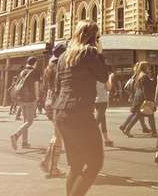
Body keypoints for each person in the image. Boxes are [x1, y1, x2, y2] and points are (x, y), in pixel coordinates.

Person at [52, 21, 109, 196]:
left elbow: (57, 85)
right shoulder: (90, 52)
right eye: (97, 37)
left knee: (76, 165)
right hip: (80, 112)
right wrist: (99, 53)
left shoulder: (63, 57)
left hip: (61, 112)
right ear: (92, 37)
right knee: (95, 163)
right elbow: (103, 76)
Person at [41, 43, 67, 179]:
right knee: (58, 135)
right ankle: (53, 167)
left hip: (49, 102)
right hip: (58, 102)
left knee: (57, 134)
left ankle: (47, 162)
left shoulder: (49, 67)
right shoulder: (61, 67)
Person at [10, 57, 41, 150]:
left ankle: (24, 142)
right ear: (34, 63)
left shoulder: (22, 71)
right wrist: (37, 97)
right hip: (30, 98)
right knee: (30, 121)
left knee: (25, 121)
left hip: (21, 98)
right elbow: (36, 85)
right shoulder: (35, 71)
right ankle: (16, 135)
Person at [120, 61, 157, 137]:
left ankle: (153, 132)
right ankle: (127, 129)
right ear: (145, 67)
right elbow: (145, 89)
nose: (149, 68)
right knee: (142, 115)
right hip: (143, 98)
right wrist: (148, 100)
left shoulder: (139, 75)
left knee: (142, 115)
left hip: (138, 97)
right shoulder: (144, 76)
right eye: (147, 66)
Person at [95, 68, 115, 148]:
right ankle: (87, 136)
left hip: (95, 100)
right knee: (98, 120)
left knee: (102, 119)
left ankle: (106, 140)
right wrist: (110, 78)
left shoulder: (93, 76)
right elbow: (109, 87)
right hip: (103, 100)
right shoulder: (104, 77)